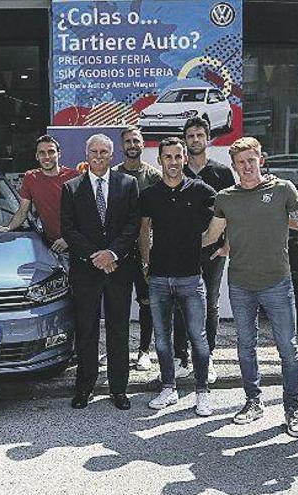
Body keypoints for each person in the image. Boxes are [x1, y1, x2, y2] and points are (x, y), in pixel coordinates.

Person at [202, 136, 298, 436]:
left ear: (261, 159)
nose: (246, 166)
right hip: (241, 284)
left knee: (287, 348)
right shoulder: (226, 198)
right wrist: (176, 242)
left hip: (277, 282)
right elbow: (212, 235)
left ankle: (292, 408)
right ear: (233, 166)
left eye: (251, 160)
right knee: (246, 348)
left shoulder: (283, 189)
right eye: (240, 162)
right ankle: (253, 401)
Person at [61, 133, 139, 411]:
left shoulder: (128, 184)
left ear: (112, 154)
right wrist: (96, 256)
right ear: (86, 154)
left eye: (103, 152)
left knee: (118, 330)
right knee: (86, 331)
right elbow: (68, 229)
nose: (98, 156)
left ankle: (119, 389)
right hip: (86, 271)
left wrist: (112, 254)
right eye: (93, 151)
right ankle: (84, 387)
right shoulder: (71, 188)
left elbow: (132, 225)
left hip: (119, 269)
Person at [138, 137, 215, 415]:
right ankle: (168, 388)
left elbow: (222, 221)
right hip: (158, 278)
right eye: (167, 157)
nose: (173, 162)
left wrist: (217, 246)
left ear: (185, 159)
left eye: (177, 156)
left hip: (191, 278)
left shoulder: (203, 191)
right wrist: (146, 264)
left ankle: (202, 392)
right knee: (162, 339)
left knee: (198, 337)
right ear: (159, 160)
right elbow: (143, 231)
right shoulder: (149, 194)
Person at [174, 116, 237, 384]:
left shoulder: (222, 172)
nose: (195, 140)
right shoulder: (177, 171)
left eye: (200, 135)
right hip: (180, 250)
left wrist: (227, 243)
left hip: (212, 249)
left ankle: (207, 356)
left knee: (210, 302)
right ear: (185, 141)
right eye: (191, 136)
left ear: (208, 138)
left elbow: (233, 212)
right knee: (180, 302)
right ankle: (181, 357)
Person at [112, 126, 161, 373]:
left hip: (146, 249)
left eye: (136, 140)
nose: (132, 145)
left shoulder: (153, 176)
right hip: (118, 250)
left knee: (146, 302)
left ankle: (144, 351)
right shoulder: (112, 175)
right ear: (122, 146)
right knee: (117, 303)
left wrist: (149, 256)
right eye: (128, 141)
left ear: (143, 144)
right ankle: (117, 350)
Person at [0, 134, 80, 253]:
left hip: (77, 245)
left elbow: (85, 215)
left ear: (59, 154)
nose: (47, 157)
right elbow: (23, 211)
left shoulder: (74, 177)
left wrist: (69, 239)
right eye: (42, 153)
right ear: (37, 156)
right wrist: (8, 228)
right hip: (51, 246)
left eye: (51, 152)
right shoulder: (31, 178)